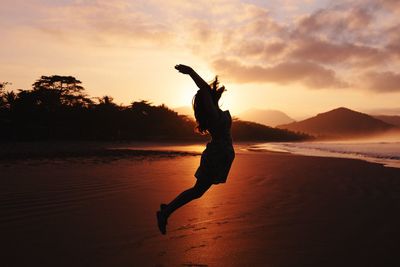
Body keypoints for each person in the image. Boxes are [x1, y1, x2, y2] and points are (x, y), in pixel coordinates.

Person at [156, 64, 235, 235]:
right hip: (217, 154)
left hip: (220, 154)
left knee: (198, 191)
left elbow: (207, 91)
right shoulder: (213, 114)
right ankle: (165, 212)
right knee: (197, 191)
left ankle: (167, 209)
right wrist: (191, 72)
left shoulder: (216, 112)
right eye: (206, 98)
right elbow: (205, 89)